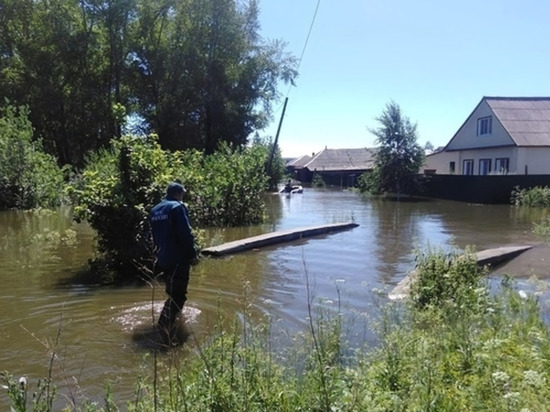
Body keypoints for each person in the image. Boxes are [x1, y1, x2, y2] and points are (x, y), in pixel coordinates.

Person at [150, 182, 199, 336]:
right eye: (183, 193)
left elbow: (152, 236)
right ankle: (164, 327)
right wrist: (192, 255)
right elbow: (185, 234)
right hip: (178, 258)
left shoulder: (155, 210)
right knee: (178, 296)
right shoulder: (177, 207)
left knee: (173, 293)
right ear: (178, 193)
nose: (183, 196)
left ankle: (173, 320)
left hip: (163, 259)